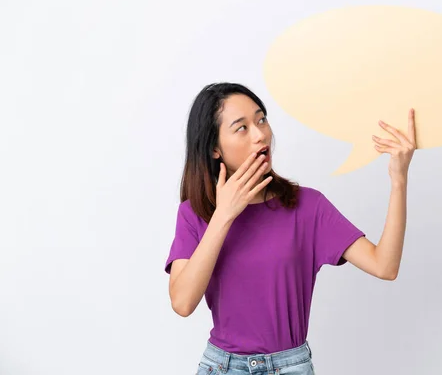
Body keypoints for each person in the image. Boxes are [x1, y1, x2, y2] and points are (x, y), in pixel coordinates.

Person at [164, 82, 416, 375]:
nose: (261, 135)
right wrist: (223, 216)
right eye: (242, 128)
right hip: (222, 367)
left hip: (290, 368)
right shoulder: (194, 213)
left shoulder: (307, 206)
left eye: (261, 119)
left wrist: (399, 179)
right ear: (215, 149)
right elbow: (182, 303)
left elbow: (385, 266)